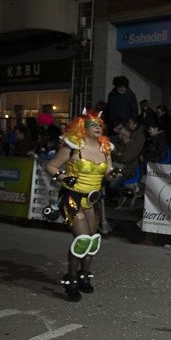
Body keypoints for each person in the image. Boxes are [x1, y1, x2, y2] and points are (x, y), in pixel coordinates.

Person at [45, 111, 120, 301]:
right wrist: (62, 177)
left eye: (100, 124)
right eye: (93, 124)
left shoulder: (106, 148)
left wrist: (114, 174)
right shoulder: (72, 146)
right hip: (72, 198)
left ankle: (84, 276)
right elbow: (51, 166)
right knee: (83, 239)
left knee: (93, 241)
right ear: (82, 127)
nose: (97, 126)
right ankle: (70, 280)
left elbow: (107, 174)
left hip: (92, 200)